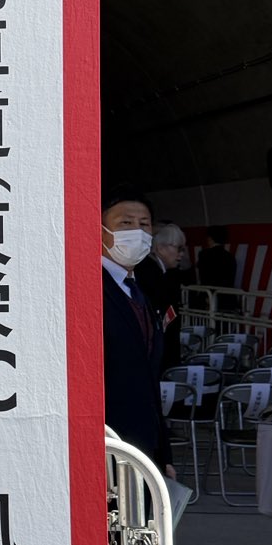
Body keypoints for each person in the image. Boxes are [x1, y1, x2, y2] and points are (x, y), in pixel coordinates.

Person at [101, 187, 175, 480]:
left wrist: (163, 453)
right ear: (102, 230)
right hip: (107, 445)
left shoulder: (143, 288)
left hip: (144, 449)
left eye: (144, 224)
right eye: (125, 223)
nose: (137, 232)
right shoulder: (84, 288)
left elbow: (150, 381)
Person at [135, 221, 189, 371]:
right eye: (179, 248)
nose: (181, 254)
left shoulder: (160, 272)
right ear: (160, 247)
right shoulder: (149, 274)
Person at [196, 225, 241, 314]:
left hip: (209, 299)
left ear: (210, 238)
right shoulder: (230, 257)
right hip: (228, 300)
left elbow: (204, 277)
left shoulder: (204, 255)